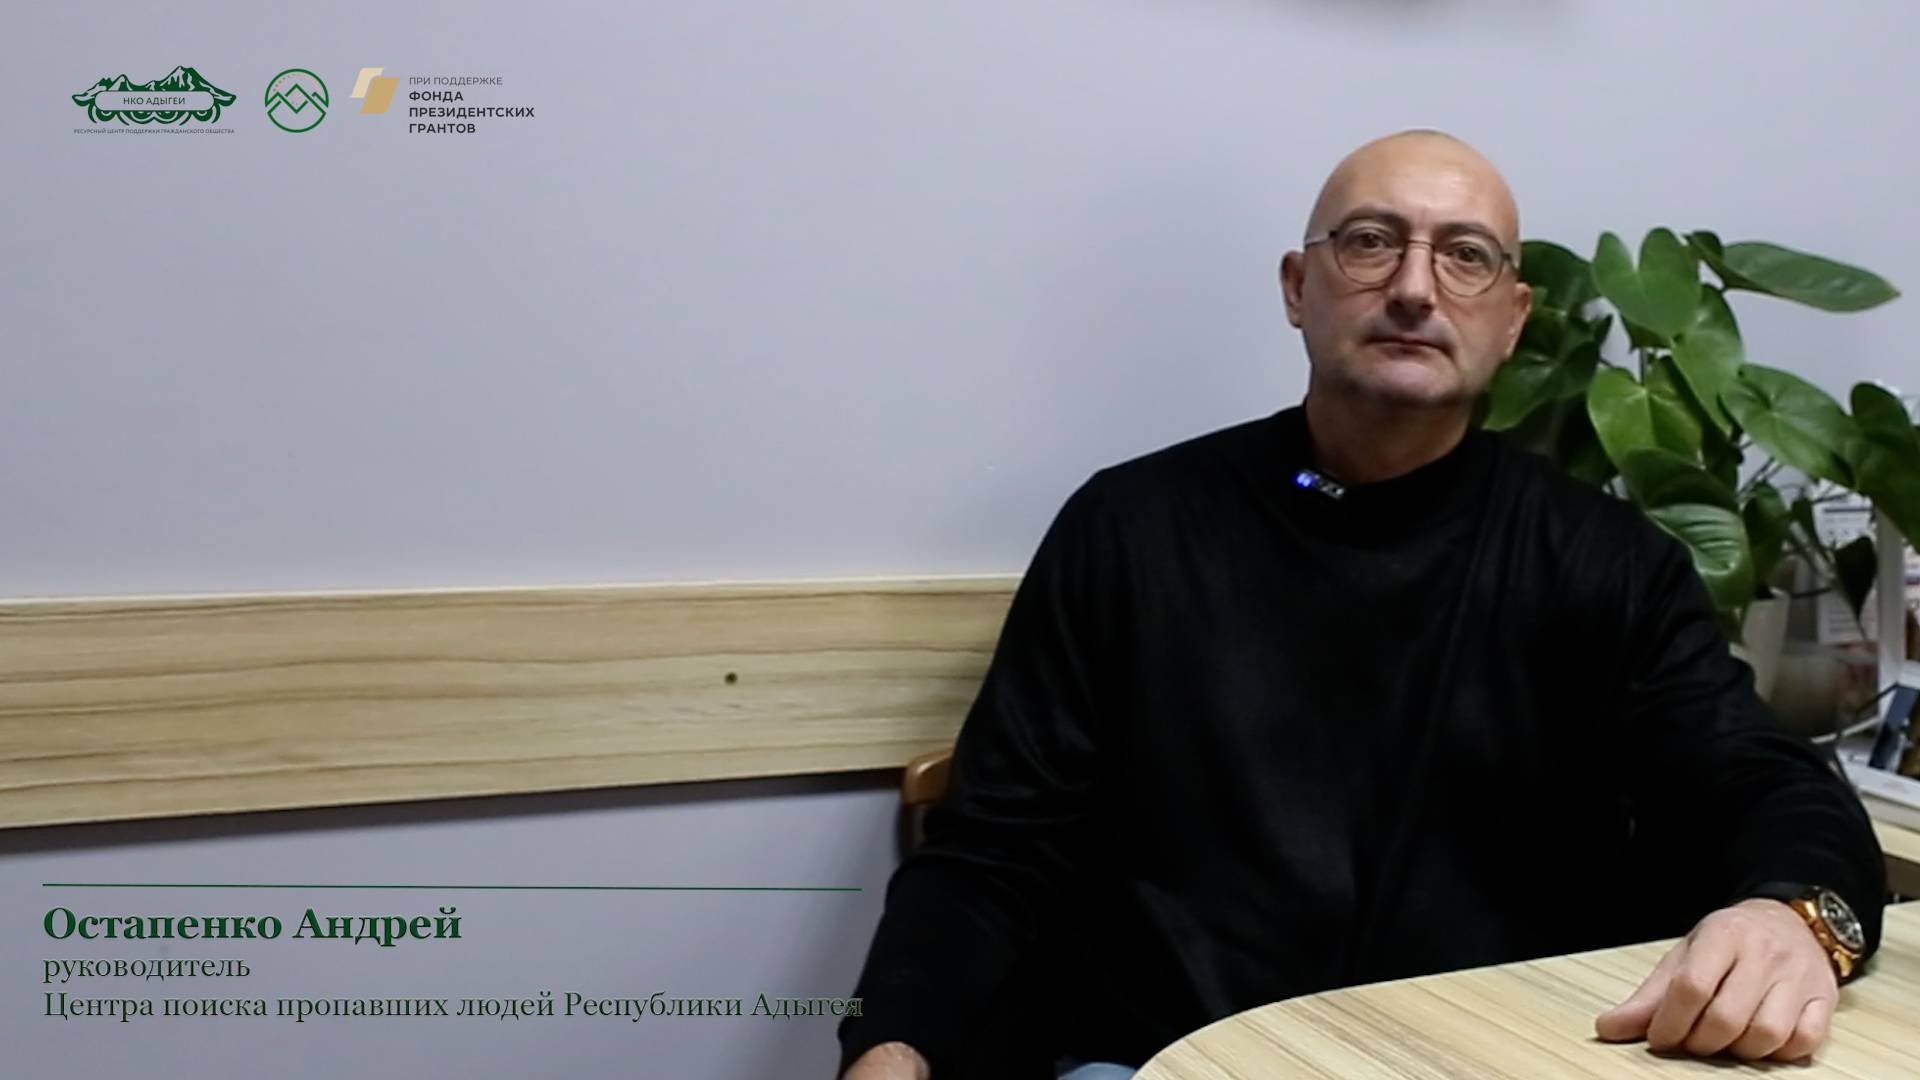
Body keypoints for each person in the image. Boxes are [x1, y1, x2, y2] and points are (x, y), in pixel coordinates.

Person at [838, 130, 1886, 1079]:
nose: (1416, 289)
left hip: (1486, 1058)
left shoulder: (1604, 561)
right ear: (1299, 287)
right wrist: (891, 1047)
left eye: (1466, 255)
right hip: (1159, 1059)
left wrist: (1792, 918)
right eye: (1372, 243)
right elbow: (994, 851)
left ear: (1513, 320)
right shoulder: (1130, 529)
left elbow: (1763, 781)